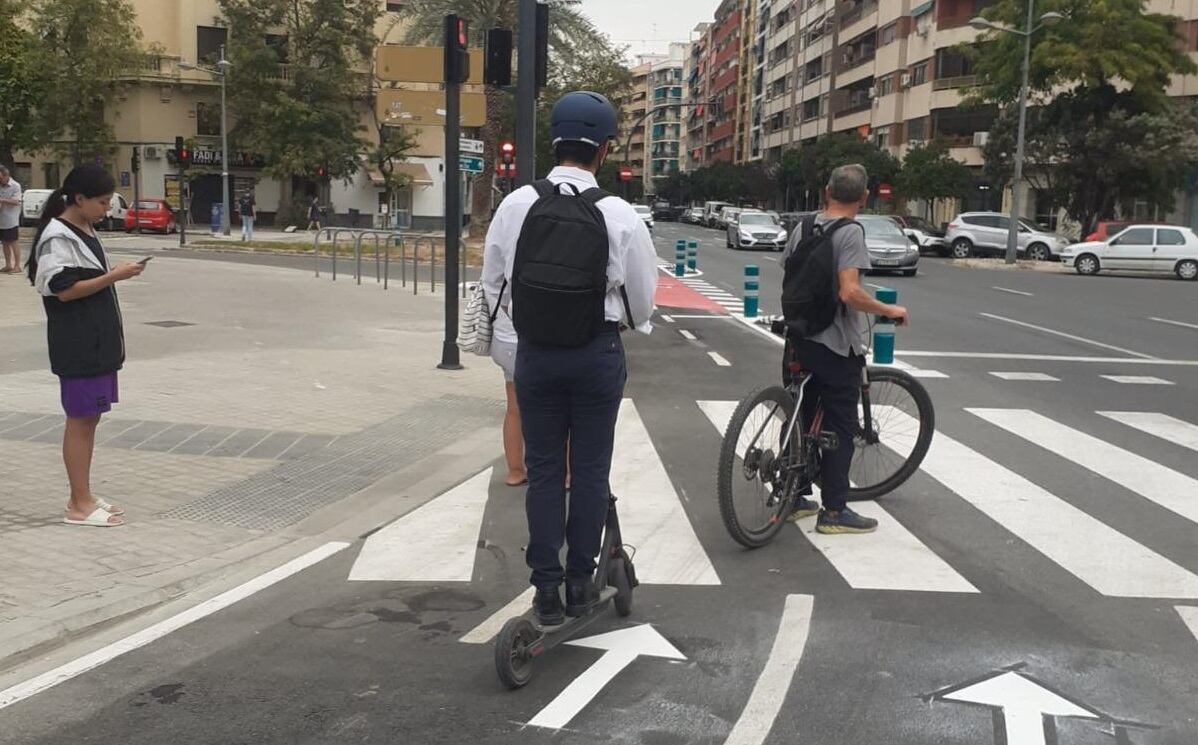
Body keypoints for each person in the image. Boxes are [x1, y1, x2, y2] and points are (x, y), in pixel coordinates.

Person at [483, 91, 658, 626]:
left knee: (541, 473)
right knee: (587, 471)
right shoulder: (619, 214)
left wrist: (513, 352)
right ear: (604, 149)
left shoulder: (515, 205)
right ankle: (581, 583)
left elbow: (492, 288)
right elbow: (643, 302)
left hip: (535, 355)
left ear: (555, 140)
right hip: (595, 354)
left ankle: (544, 590)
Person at [781, 164, 908, 534]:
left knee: (799, 413)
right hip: (835, 343)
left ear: (826, 190)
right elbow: (849, 292)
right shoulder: (850, 231)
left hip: (798, 335)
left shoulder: (803, 226)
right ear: (864, 197)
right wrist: (889, 310)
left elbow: (789, 273)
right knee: (840, 423)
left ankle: (795, 495)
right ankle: (835, 511)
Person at [26, 164, 145, 527]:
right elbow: (63, 291)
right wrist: (115, 276)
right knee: (79, 420)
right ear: (79, 199)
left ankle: (84, 495)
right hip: (77, 344)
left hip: (98, 343)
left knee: (90, 418)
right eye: (102, 202)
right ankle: (78, 505)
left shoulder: (84, 228)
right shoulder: (57, 236)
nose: (106, 209)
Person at [0, 165, 22, 273]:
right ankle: (8, 264)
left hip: (11, 219)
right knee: (4, 242)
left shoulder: (15, 186)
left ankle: (17, 265)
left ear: (6, 175)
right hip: (1, 219)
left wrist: (2, 200)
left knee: (13, 242)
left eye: (0, 178)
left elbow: (16, 201)